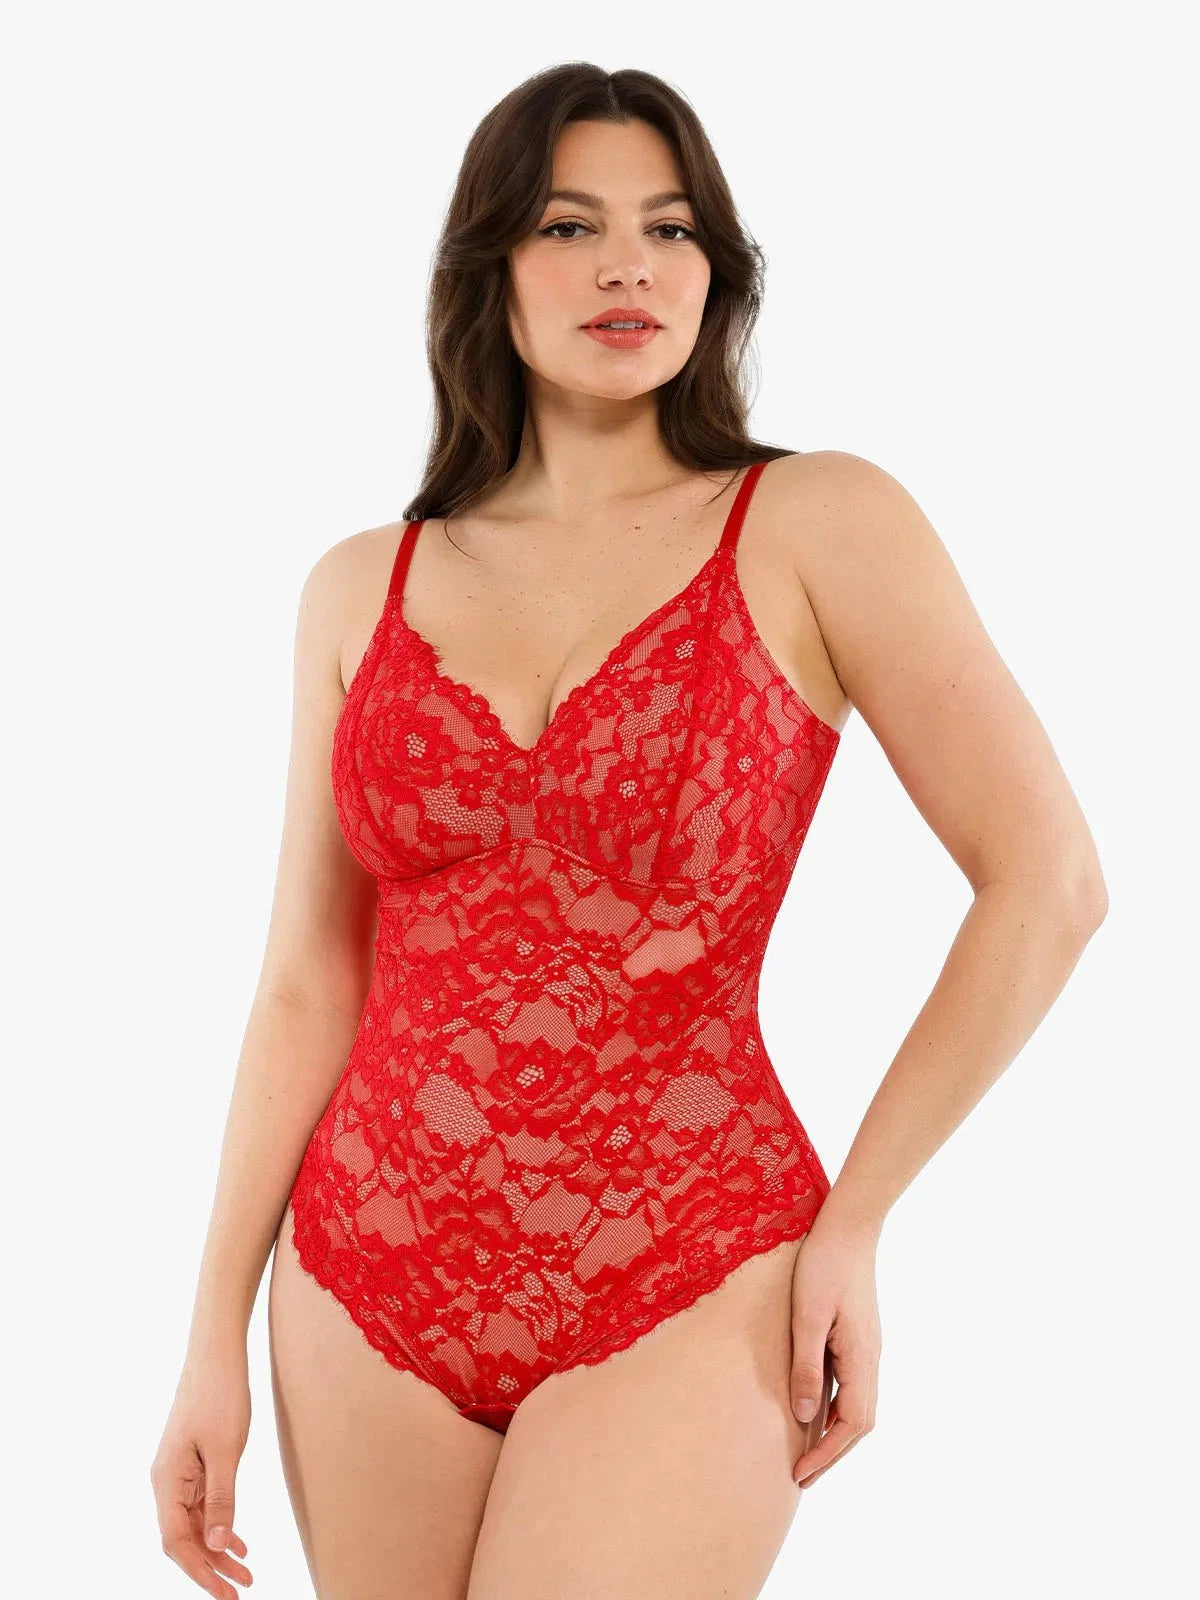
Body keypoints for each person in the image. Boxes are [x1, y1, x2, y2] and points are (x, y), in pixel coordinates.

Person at [150, 63, 1108, 1600]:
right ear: (489, 267)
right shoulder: (357, 588)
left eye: (669, 229)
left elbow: (1047, 881)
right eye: (570, 226)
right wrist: (210, 1334)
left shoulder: (817, 522)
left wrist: (857, 1221)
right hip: (358, 1273)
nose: (627, 267)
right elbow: (309, 981)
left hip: (690, 1263)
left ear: (716, 272)